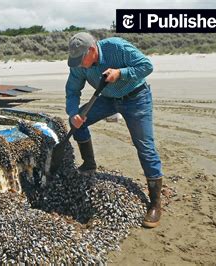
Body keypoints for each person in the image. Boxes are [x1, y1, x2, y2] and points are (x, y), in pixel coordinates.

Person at [65, 32, 163, 228]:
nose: (79, 64)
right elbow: (73, 91)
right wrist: (74, 112)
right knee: (77, 122)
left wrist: (121, 73)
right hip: (107, 99)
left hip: (136, 98)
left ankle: (154, 203)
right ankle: (89, 163)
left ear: (92, 50)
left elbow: (147, 66)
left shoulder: (117, 47)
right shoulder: (79, 65)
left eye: (81, 59)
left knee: (144, 145)